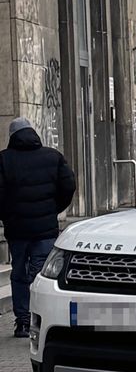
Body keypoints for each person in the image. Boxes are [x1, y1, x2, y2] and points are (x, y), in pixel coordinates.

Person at [0, 117, 76, 338]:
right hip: (45, 228)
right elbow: (68, 186)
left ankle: (22, 322)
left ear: (12, 136)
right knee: (41, 273)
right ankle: (40, 320)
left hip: (17, 230)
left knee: (19, 272)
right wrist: (53, 209)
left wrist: (7, 216)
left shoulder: (4, 160)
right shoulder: (53, 157)